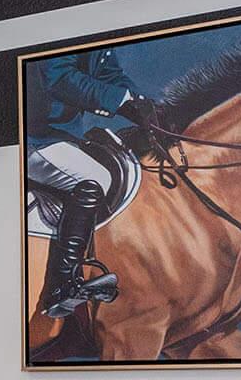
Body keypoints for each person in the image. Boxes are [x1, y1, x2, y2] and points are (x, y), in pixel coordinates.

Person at [26, 49, 169, 318]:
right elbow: (59, 78)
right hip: (35, 137)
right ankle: (62, 287)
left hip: (62, 136)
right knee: (93, 179)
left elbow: (109, 73)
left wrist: (140, 102)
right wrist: (121, 102)